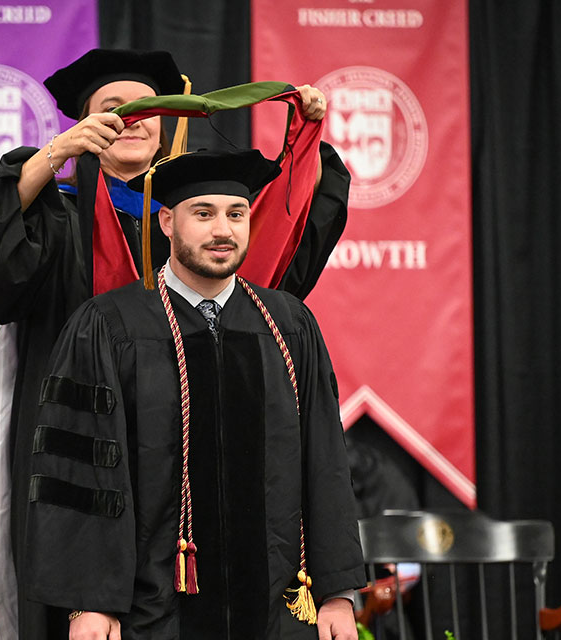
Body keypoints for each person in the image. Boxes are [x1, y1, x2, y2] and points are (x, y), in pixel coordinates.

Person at [0, 49, 351, 638]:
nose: (131, 120)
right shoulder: (57, 219)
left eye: (146, 109)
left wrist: (310, 131)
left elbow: (281, 253)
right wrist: (57, 151)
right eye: (112, 109)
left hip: (199, 462)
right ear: (86, 124)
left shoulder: (199, 213)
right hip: (88, 453)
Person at [24, 148, 365, 639]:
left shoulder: (289, 326)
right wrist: (90, 604)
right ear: (166, 222)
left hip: (278, 609)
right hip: (152, 611)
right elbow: (84, 475)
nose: (222, 231)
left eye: (236, 214)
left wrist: (337, 591)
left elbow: (326, 460)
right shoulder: (110, 326)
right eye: (202, 214)